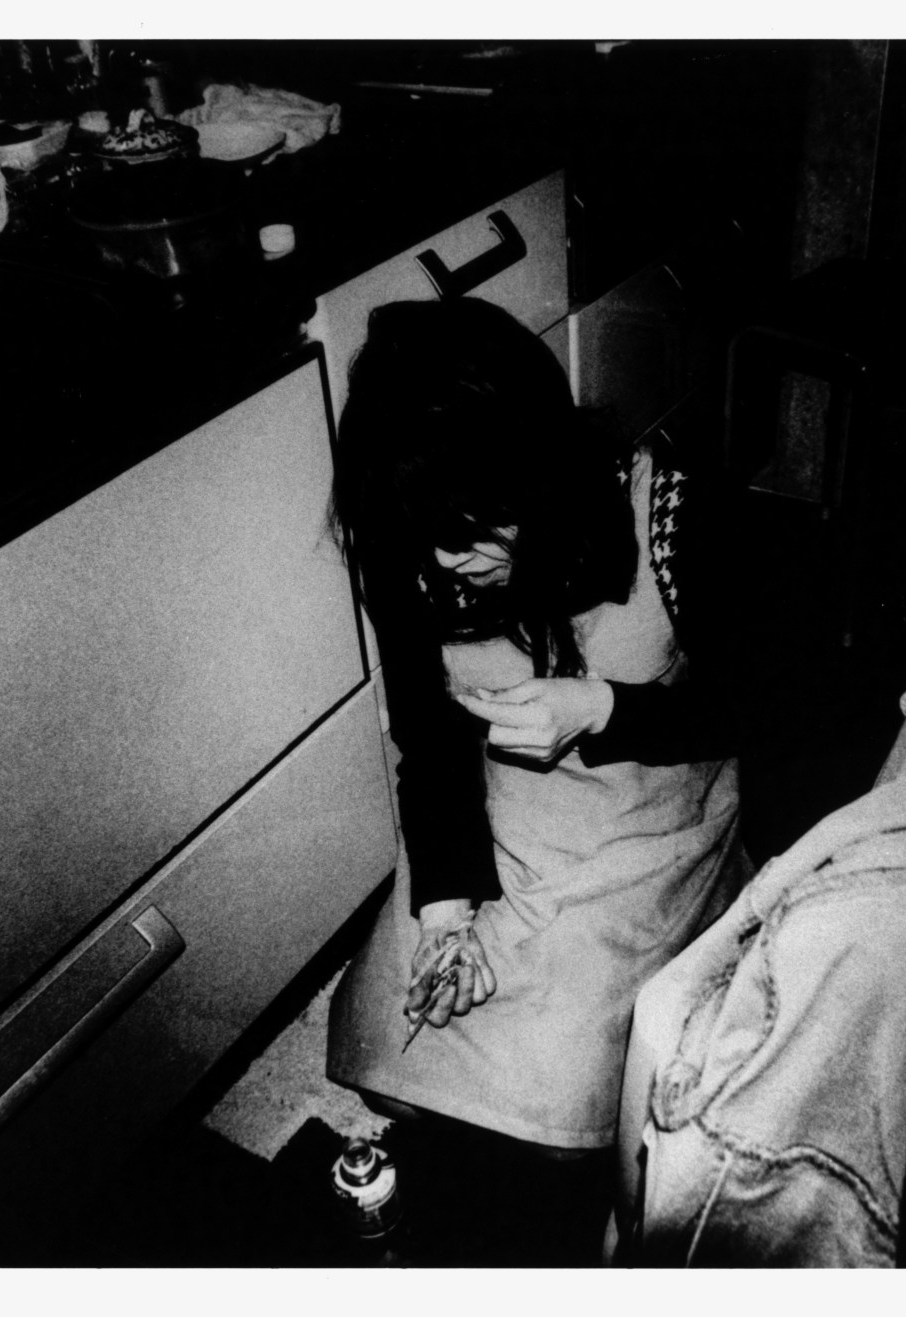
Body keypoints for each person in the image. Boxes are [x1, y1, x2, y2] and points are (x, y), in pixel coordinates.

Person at [324, 297, 762, 1160]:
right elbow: (430, 739)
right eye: (422, 538)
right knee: (385, 1070)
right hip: (497, 814)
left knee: (566, 1125)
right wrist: (449, 913)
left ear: (536, 473)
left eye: (466, 529)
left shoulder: (666, 508)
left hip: (644, 813)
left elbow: (770, 701)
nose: (444, 565)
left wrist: (603, 707)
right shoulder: (407, 530)